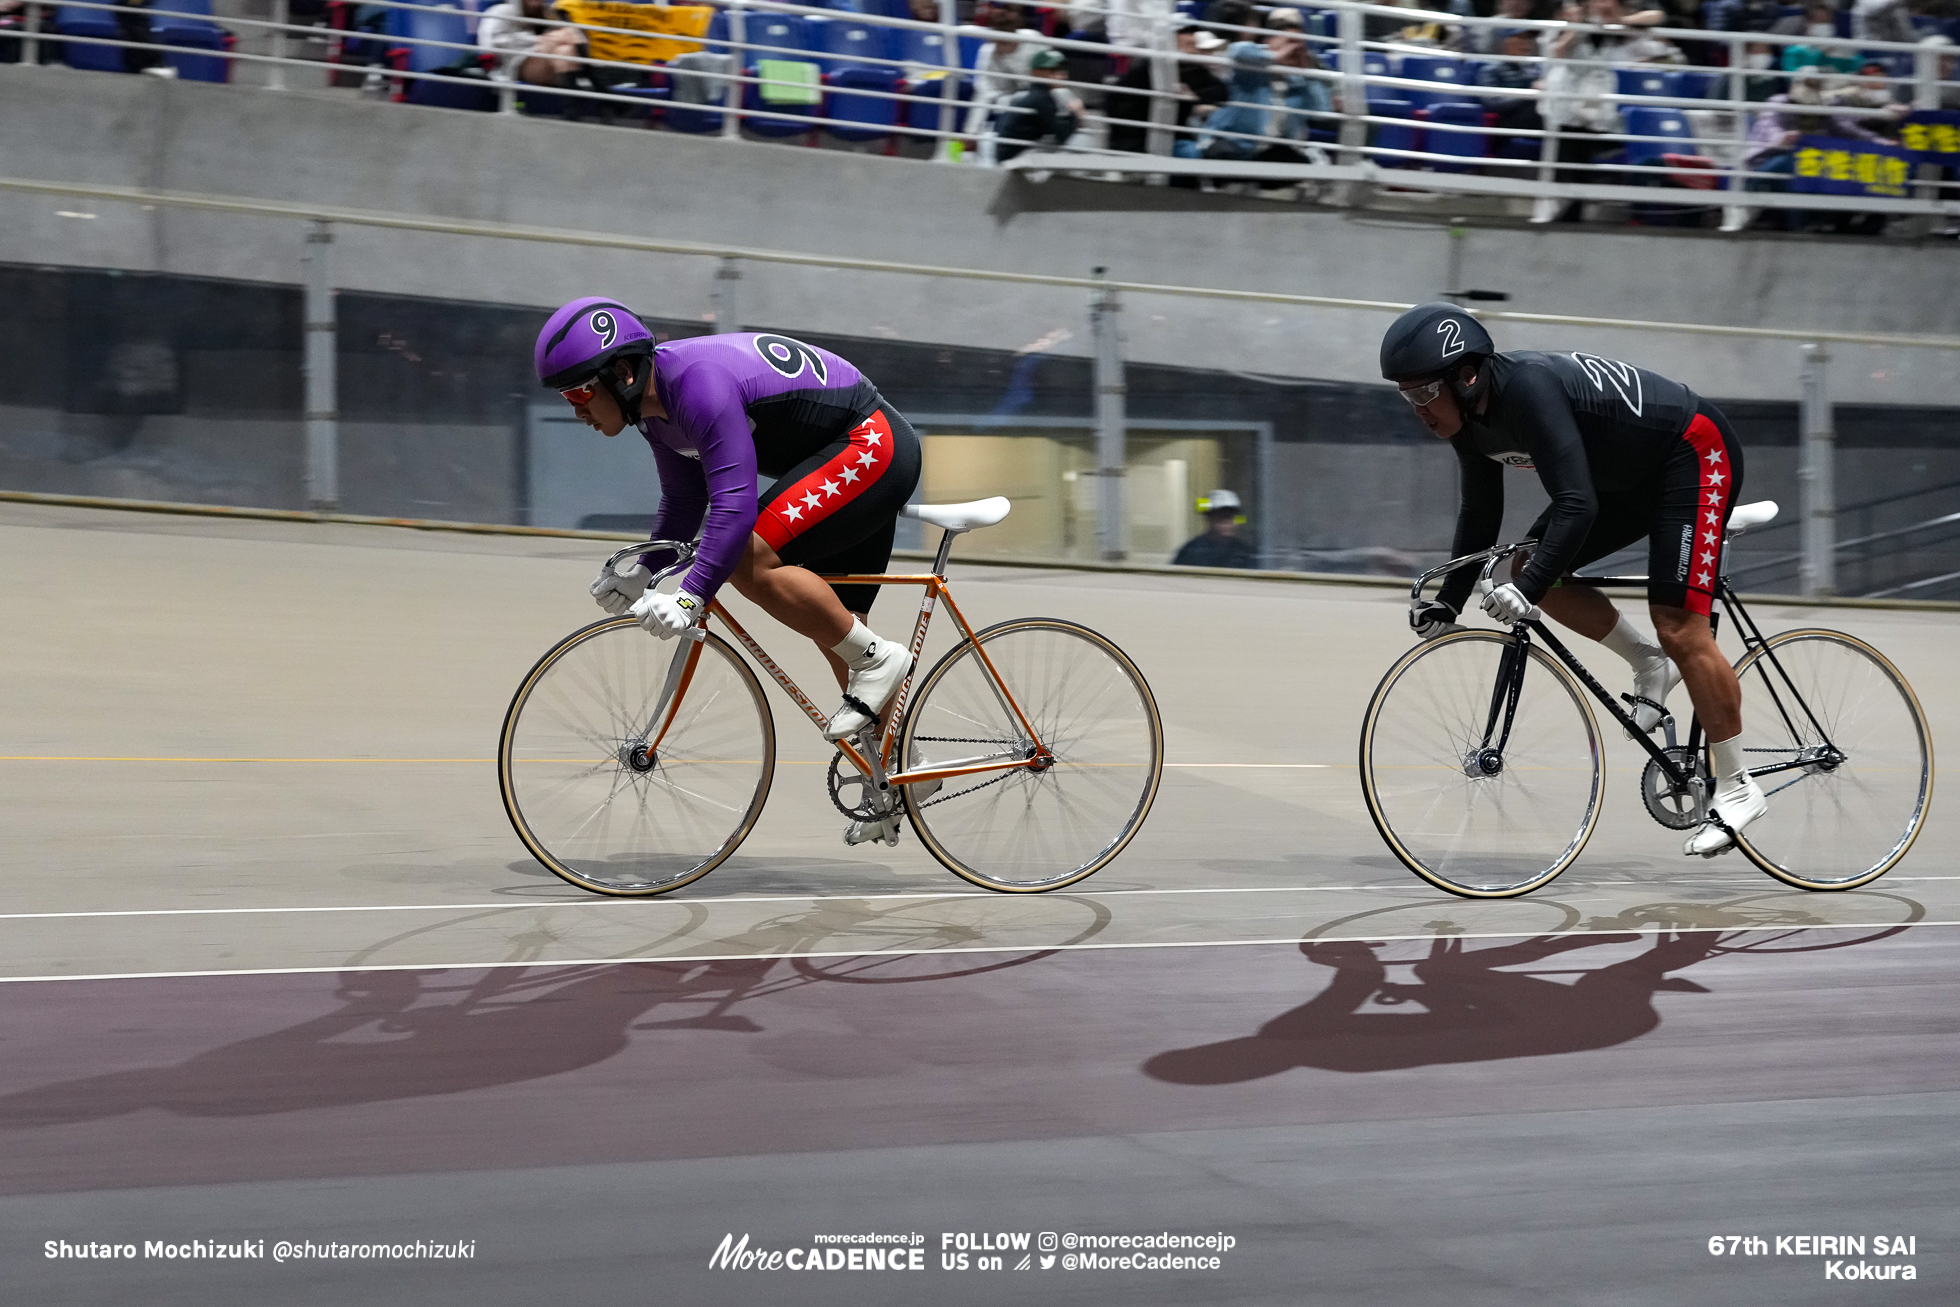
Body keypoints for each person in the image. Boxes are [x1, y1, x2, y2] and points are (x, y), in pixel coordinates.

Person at [535, 299, 925, 845]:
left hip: (870, 443)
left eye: (579, 391)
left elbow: (735, 506)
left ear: (621, 373)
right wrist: (645, 569)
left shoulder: (697, 385)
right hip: (838, 455)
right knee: (834, 626)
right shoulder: (652, 410)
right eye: (563, 395)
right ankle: (903, 769)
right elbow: (685, 497)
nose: (576, 409)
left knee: (747, 557)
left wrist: (691, 595)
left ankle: (882, 659)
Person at [1383, 303, 1764, 859]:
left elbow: (1577, 504)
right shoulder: (1471, 422)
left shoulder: (1528, 388)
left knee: (1681, 627)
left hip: (1692, 451)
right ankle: (1647, 662)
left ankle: (1737, 787)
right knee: (1529, 566)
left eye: (1422, 394)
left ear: (1466, 377)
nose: (1417, 410)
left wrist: (1529, 590)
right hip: (1627, 478)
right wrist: (1450, 601)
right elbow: (1480, 514)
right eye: (1405, 396)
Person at [995, 47, 1083, 161]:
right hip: (1013, 158)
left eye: (1063, 68)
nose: (1061, 73)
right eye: (1053, 69)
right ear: (1036, 73)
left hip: (1012, 153)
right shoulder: (1041, 98)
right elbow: (1060, 136)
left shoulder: (1039, 95)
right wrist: (1075, 114)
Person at [1173, 490, 1259, 568]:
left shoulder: (1245, 553)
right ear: (1209, 518)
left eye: (1232, 517)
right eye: (1222, 517)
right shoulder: (1192, 551)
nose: (1228, 523)